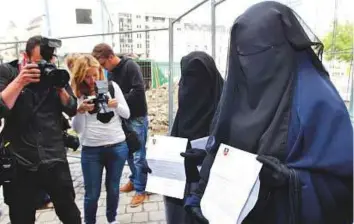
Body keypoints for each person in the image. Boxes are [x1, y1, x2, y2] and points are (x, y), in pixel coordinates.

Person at [184, 2, 353, 224]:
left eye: (258, 52)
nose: (248, 61)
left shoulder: (317, 99)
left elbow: (343, 179)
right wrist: (209, 162)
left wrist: (291, 179)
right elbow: (233, 147)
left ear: (283, 45)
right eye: (241, 53)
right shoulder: (240, 91)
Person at [0, 35, 81, 223]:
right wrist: (20, 81)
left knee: (70, 214)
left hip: (54, 158)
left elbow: (72, 107)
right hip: (20, 162)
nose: (44, 65)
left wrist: (60, 88)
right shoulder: (8, 72)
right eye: (38, 62)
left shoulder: (54, 74)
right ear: (25, 57)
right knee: (22, 217)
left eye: (48, 60)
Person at [165, 51, 224, 224]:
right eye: (187, 77)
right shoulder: (185, 109)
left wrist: (210, 157)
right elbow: (175, 142)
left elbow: (239, 152)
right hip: (180, 189)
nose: (191, 84)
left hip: (213, 190)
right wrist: (156, 164)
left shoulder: (227, 111)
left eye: (197, 76)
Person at [71, 55, 130, 224]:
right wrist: (80, 111)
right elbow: (77, 129)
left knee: (113, 189)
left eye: (94, 75)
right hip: (91, 150)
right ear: (80, 76)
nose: (91, 80)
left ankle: (112, 220)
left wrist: (116, 105)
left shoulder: (110, 86)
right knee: (92, 194)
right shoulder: (78, 93)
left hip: (117, 146)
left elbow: (127, 113)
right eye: (87, 76)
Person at [92, 43, 149, 207]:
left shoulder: (131, 66)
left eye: (103, 64)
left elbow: (139, 91)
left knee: (138, 155)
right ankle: (134, 179)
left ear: (110, 57)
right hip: (122, 117)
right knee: (129, 154)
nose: (103, 68)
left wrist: (118, 100)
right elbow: (106, 93)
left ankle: (140, 190)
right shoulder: (108, 72)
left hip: (137, 117)